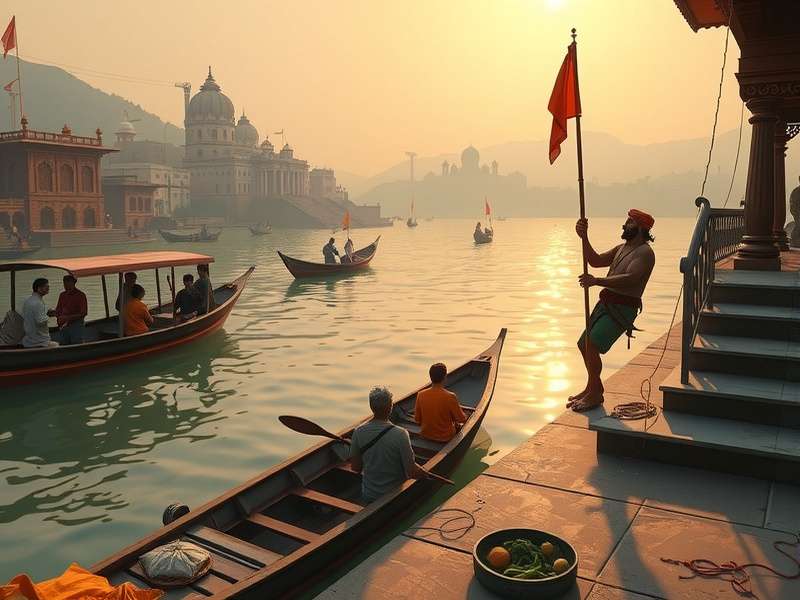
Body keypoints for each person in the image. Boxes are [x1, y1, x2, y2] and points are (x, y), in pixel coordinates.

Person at [569, 209, 656, 412]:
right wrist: (584, 237)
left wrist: (597, 281)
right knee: (583, 344)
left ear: (641, 228)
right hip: (606, 304)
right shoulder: (621, 248)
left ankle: (595, 393)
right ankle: (592, 387)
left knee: (592, 345)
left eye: (630, 222)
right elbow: (595, 261)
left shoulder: (645, 252)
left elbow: (631, 278)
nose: (625, 225)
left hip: (623, 308)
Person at [350, 386, 430, 502]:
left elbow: (356, 468)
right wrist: (423, 473)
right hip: (395, 496)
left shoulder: (358, 432)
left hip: (369, 495)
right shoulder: (401, 434)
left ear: (371, 407)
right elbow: (411, 472)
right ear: (390, 407)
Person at [414, 363, 467, 442]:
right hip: (445, 437)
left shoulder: (420, 394)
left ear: (430, 377)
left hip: (426, 435)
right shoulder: (450, 396)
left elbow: (417, 419)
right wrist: (465, 415)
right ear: (445, 377)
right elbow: (461, 419)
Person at [22, 278, 58, 348]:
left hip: (29, 340)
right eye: (46, 286)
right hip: (39, 341)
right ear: (39, 289)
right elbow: (41, 321)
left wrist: (46, 313)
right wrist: (48, 315)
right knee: (56, 346)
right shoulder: (38, 303)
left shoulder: (28, 300)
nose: (48, 288)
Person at [53, 274, 88, 345]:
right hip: (63, 325)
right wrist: (53, 313)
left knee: (76, 344)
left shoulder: (81, 295)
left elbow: (84, 313)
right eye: (64, 283)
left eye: (68, 282)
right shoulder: (62, 295)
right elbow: (58, 310)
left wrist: (68, 317)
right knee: (64, 344)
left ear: (73, 283)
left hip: (76, 325)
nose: (65, 285)